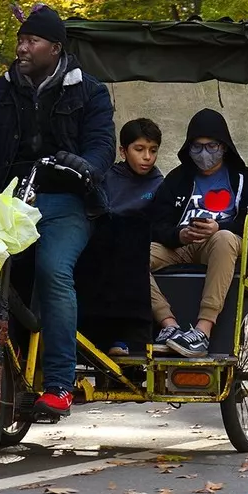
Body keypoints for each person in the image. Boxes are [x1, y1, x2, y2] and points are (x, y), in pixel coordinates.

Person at [0, 5, 114, 419]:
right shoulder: (3, 88)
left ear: (55, 49)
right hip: (8, 201)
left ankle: (59, 384)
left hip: (65, 202)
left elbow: (101, 144)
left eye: (31, 41)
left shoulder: (89, 91)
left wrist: (86, 165)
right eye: (20, 40)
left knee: (53, 272)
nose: (22, 47)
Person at [149, 109, 248, 355]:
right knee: (130, 255)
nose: (204, 154)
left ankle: (203, 330)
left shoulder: (245, 178)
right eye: (197, 147)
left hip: (222, 244)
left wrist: (220, 226)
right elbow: (157, 223)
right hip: (181, 245)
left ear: (224, 146)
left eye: (211, 146)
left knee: (224, 238)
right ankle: (169, 325)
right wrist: (179, 235)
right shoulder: (177, 179)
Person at [78, 119, 168, 355]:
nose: (147, 157)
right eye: (139, 150)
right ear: (123, 151)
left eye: (153, 150)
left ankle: (125, 337)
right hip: (102, 241)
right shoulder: (107, 178)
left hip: (139, 244)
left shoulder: (160, 185)